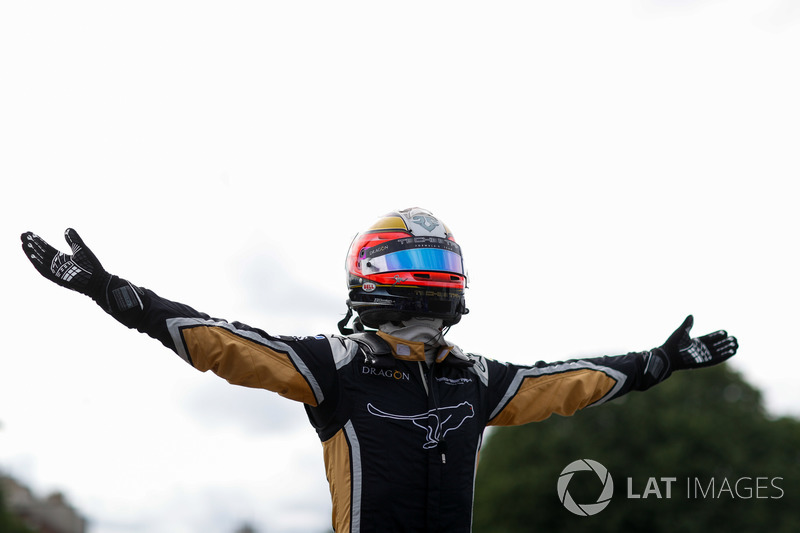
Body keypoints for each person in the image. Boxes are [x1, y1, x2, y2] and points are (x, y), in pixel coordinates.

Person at [21, 207, 738, 533]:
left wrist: (660, 360)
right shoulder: (332, 364)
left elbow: (569, 381)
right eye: (406, 263)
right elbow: (225, 343)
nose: (424, 276)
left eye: (436, 263)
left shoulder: (476, 375)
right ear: (367, 278)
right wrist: (118, 297)